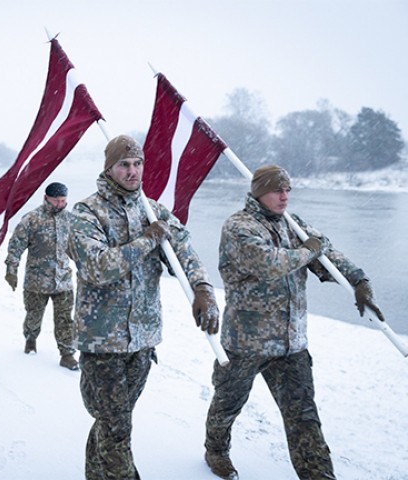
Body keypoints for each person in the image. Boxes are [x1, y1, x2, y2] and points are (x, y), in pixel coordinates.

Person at [203, 165, 385, 480]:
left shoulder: (292, 223)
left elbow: (327, 255)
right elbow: (270, 264)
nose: (285, 196)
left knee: (304, 417)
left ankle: (318, 475)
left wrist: (358, 280)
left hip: (291, 343)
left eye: (288, 189)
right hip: (246, 341)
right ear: (259, 192)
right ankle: (216, 450)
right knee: (227, 404)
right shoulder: (238, 227)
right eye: (277, 190)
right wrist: (309, 250)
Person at [67, 135, 219, 479]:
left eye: (138, 164)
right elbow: (98, 268)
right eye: (124, 164)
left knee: (113, 422)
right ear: (109, 168)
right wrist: (148, 239)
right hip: (103, 338)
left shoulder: (154, 210)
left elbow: (185, 251)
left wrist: (203, 288)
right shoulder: (87, 212)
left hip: (143, 336)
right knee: (116, 424)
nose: (133, 171)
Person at [4, 181, 78, 370]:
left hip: (63, 280)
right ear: (46, 198)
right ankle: (30, 338)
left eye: (63, 201)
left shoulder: (70, 220)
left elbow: (78, 249)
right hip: (37, 281)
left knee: (65, 320)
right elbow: (16, 245)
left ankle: (67, 353)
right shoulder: (32, 219)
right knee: (33, 316)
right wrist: (11, 270)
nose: (60, 205)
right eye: (56, 201)